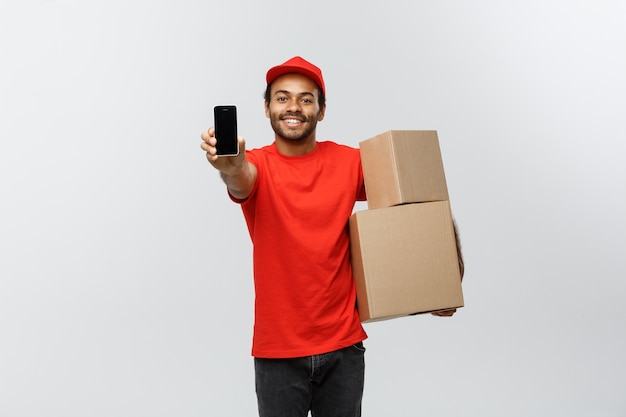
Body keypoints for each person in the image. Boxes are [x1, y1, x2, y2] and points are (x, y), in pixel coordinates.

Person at [201, 56, 459, 417]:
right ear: (266, 108)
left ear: (321, 111)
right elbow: (241, 181)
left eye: (306, 99)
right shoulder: (256, 165)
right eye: (282, 97)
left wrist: (443, 278)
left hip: (343, 345)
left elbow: (418, 198)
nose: (294, 107)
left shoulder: (350, 162)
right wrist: (230, 167)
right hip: (278, 351)